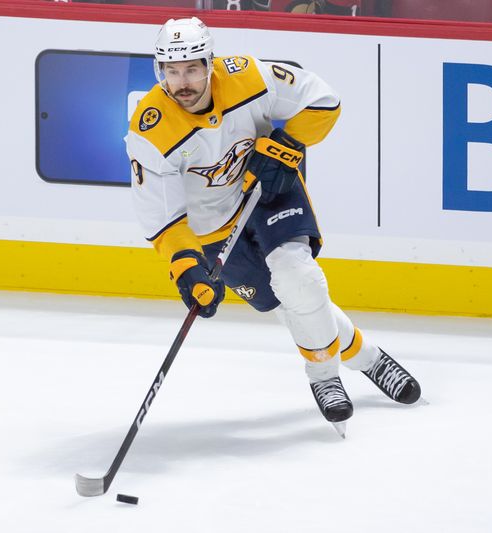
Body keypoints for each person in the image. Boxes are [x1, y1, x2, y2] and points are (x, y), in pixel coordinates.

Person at [125, 16, 421, 435]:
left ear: (210, 63)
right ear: (160, 71)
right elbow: (165, 219)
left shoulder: (246, 75)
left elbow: (324, 100)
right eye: (172, 71)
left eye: (192, 68)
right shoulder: (150, 131)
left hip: (269, 188)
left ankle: (324, 377)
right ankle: (370, 358)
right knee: (288, 305)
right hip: (212, 231)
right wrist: (187, 270)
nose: (183, 82)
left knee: (299, 278)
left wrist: (288, 142)